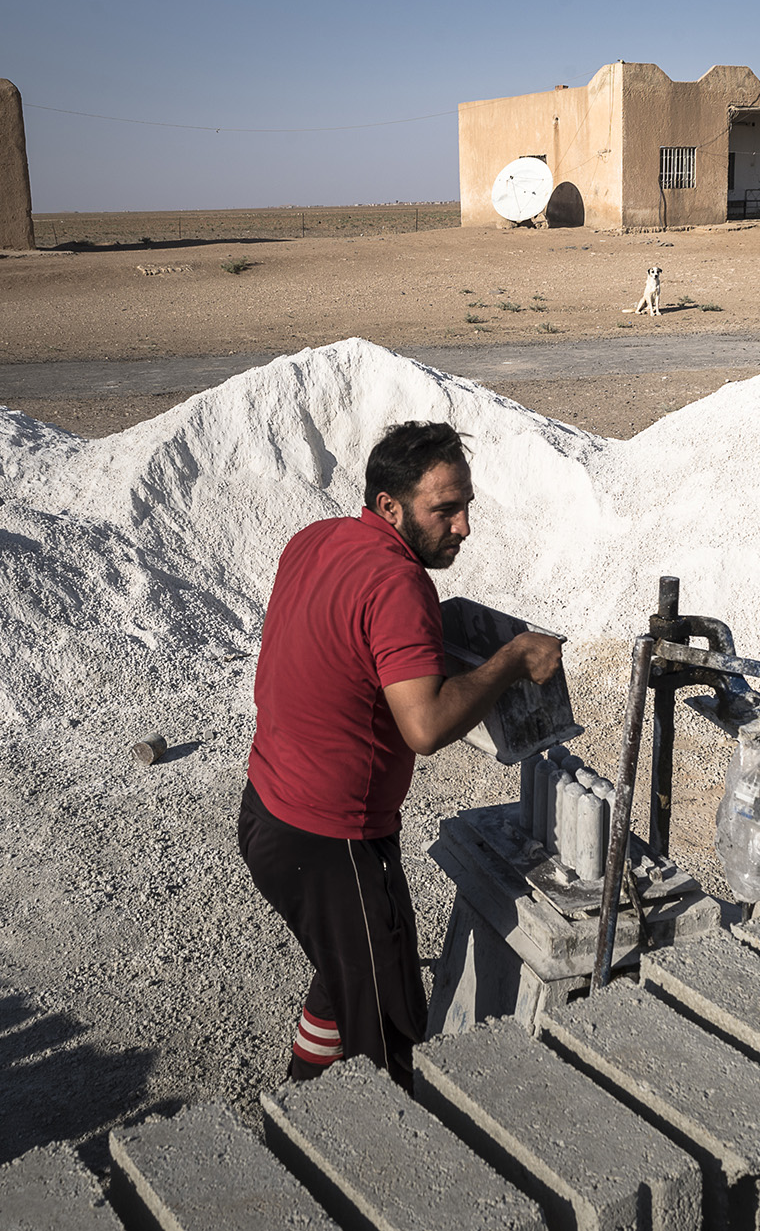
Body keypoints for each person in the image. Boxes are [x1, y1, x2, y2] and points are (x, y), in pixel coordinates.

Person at [238, 420, 563, 1090]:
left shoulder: (318, 539)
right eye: (444, 509)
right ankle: (378, 1171)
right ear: (389, 505)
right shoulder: (398, 585)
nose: (463, 526)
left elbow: (338, 641)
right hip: (335, 843)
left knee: (345, 974)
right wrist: (509, 660)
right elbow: (423, 726)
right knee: (391, 1033)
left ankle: (299, 1101)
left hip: (267, 810)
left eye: (465, 504)